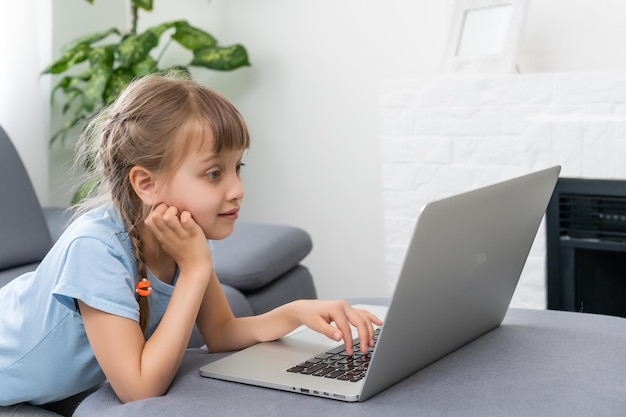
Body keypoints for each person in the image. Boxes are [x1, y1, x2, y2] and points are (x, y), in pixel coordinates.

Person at [0, 74, 382, 409]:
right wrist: (196, 270)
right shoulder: (95, 250)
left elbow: (221, 333)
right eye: (214, 173)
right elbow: (138, 389)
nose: (237, 189)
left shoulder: (186, 239)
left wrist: (296, 313)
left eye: (237, 167)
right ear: (147, 184)